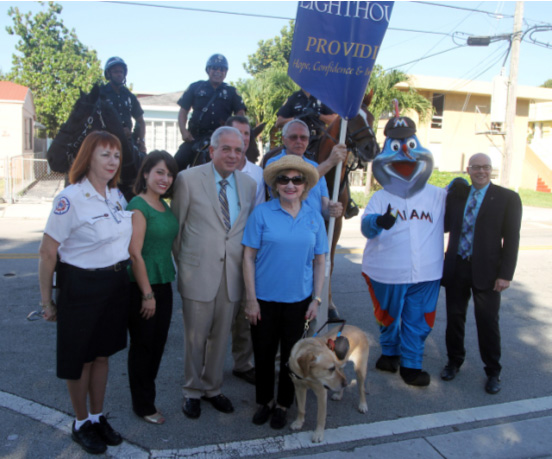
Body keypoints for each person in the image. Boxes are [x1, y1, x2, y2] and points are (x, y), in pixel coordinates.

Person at [38, 131, 133, 455]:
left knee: (102, 355)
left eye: (116, 155)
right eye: (105, 154)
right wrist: (47, 301)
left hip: (113, 286)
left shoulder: (116, 196)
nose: (112, 161)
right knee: (79, 359)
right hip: (81, 288)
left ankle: (96, 416)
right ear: (88, 157)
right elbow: (48, 252)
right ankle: (80, 423)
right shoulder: (71, 198)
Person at [171, 126, 256, 419]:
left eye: (238, 150)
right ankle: (191, 390)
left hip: (232, 275)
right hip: (198, 273)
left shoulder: (248, 185)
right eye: (226, 149)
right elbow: (176, 230)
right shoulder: (188, 179)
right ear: (212, 151)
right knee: (195, 337)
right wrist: (187, 265)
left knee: (220, 337)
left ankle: (212, 388)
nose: (233, 155)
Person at [242, 154, 328, 430]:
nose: (290, 185)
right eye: (284, 179)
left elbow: (320, 261)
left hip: (299, 302)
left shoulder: (315, 218)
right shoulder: (262, 213)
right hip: (264, 300)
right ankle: (264, 401)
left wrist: (316, 299)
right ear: (275, 184)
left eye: (296, 180)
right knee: (264, 355)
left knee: (293, 358)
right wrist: (251, 300)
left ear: (304, 185)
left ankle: (283, 405)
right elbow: (248, 258)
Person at [361, 112, 446, 387]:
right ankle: (390, 353)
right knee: (387, 317)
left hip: (427, 273)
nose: (405, 156)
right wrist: (378, 221)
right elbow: (366, 227)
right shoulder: (380, 196)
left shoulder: (438, 195)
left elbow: (457, 218)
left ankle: (411, 365)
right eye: (396, 149)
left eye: (410, 146)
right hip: (385, 272)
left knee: (417, 321)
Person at [440, 153, 522, 395]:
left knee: (487, 322)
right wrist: (446, 192)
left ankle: (493, 371)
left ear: (491, 170)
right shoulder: (458, 195)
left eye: (486, 167)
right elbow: (443, 225)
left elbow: (512, 239)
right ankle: (454, 361)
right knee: (454, 318)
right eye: (476, 167)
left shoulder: (507, 198)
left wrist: (505, 274)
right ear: (468, 169)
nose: (481, 171)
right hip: (457, 266)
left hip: (488, 271)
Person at [127, 151, 179, 425]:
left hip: (163, 283)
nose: (165, 178)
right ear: (145, 173)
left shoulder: (163, 205)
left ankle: (146, 396)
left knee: (157, 345)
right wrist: (147, 294)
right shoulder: (139, 205)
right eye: (160, 172)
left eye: (169, 174)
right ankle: (143, 404)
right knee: (143, 346)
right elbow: (135, 253)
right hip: (142, 287)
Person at [224, 116, 265, 386]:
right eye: (237, 133)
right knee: (217, 314)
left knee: (244, 314)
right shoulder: (209, 169)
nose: (243, 138)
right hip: (218, 254)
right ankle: (207, 367)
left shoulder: (259, 174)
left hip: (246, 253)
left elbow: (259, 214)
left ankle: (242, 363)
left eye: (247, 133)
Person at [174, 54, 246, 170]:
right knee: (176, 163)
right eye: (214, 68)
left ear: (226, 72)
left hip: (222, 138)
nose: (218, 71)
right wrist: (184, 131)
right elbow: (183, 111)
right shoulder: (195, 87)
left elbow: (240, 115)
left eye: (222, 69)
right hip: (196, 138)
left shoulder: (232, 92)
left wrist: (235, 135)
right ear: (208, 70)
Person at [100, 56, 147, 154]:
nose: (119, 74)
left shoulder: (129, 96)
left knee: (144, 161)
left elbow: (141, 121)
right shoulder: (101, 94)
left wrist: (141, 141)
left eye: (121, 72)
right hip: (105, 141)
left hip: (127, 142)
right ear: (108, 74)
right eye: (116, 72)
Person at [275, 88, 337, 158]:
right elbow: (279, 122)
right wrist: (297, 118)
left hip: (319, 140)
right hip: (298, 140)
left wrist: (317, 115)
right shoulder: (294, 98)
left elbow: (334, 120)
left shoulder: (322, 97)